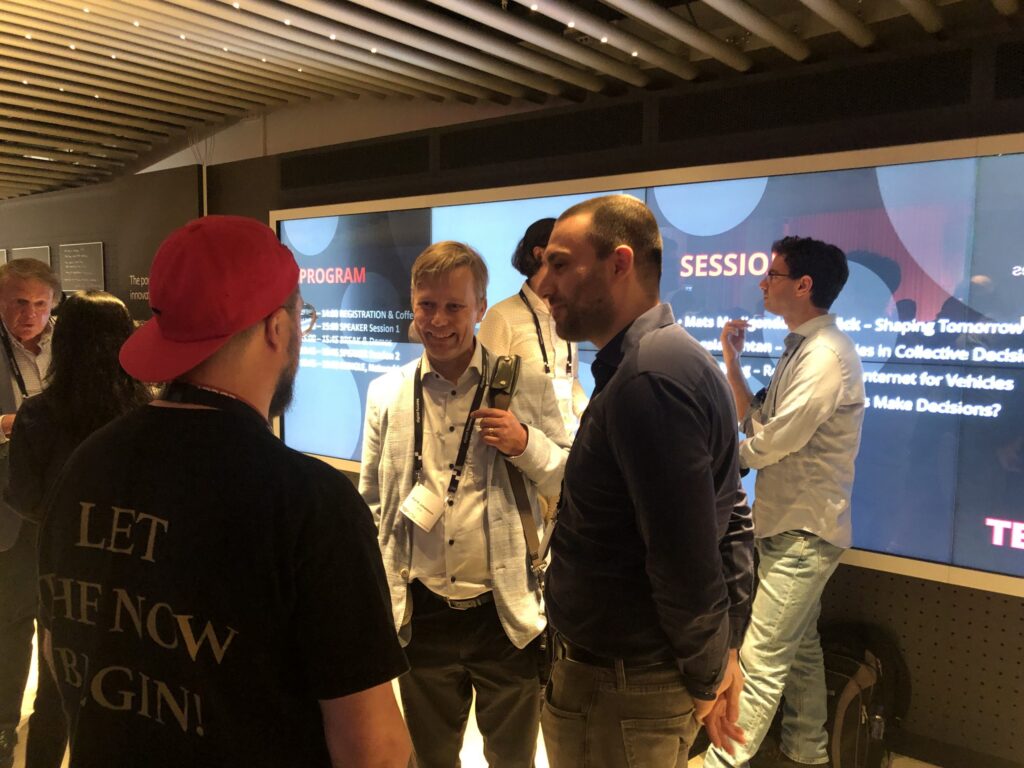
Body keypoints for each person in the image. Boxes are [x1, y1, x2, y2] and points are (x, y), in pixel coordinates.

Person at [35, 216, 412, 768]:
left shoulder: (87, 461)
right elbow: (373, 748)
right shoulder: (311, 502)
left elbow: (58, 649)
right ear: (277, 329)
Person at [536, 194, 755, 767]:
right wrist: (724, 649)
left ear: (619, 263)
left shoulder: (646, 380)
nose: (543, 284)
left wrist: (709, 675)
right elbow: (729, 514)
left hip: (620, 691)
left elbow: (684, 560)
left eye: (560, 264)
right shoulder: (675, 360)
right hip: (635, 684)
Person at [359, 240, 570, 768]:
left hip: (506, 617)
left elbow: (568, 477)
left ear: (481, 308)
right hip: (421, 614)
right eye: (427, 304)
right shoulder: (386, 393)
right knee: (431, 757)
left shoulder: (526, 383)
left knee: (511, 757)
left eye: (455, 306)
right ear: (412, 304)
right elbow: (371, 504)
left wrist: (526, 444)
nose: (439, 320)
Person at [704, 236, 865, 768]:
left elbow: (779, 438)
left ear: (803, 285)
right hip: (787, 526)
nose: (762, 283)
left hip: (803, 533)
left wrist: (728, 459)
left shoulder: (825, 355)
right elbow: (760, 422)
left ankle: (721, 761)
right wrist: (732, 363)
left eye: (771, 274)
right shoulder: (803, 348)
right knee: (799, 654)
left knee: (761, 659)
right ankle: (808, 755)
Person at [5, 291, 151, 768]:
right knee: (134, 695)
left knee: (54, 695)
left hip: (64, 569)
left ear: (63, 341)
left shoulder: (38, 412)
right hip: (137, 568)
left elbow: (26, 498)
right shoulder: (147, 412)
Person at [0, 257, 60, 768]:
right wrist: (10, 425)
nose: (30, 314)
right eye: (20, 302)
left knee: (62, 622)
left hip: (63, 508)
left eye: (40, 304)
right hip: (10, 513)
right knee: (11, 623)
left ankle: (54, 720)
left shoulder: (72, 348)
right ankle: (2, 726)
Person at [478, 218, 587, 437]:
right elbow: (482, 388)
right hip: (522, 451)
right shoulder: (502, 316)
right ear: (540, 254)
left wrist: (591, 416)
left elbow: (570, 380)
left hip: (567, 446)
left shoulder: (566, 312)